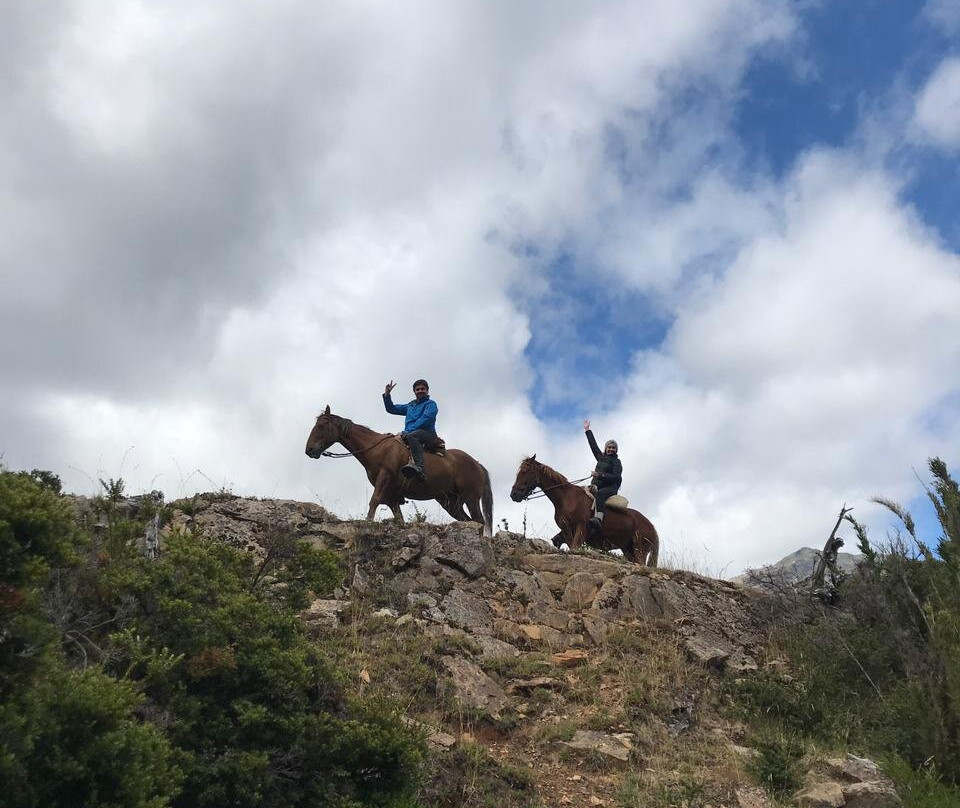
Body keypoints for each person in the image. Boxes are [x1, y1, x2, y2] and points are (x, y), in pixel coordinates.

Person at [383, 379, 438, 479]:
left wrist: (407, 431)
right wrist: (387, 395)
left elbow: (426, 419)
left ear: (427, 390)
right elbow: (392, 409)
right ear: (414, 392)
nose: (420, 391)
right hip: (409, 433)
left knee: (413, 436)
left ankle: (419, 468)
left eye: (422, 389)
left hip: (428, 434)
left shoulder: (431, 404)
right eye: (417, 389)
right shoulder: (410, 406)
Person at [583, 419, 622, 528]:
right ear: (606, 448)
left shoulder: (616, 462)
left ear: (616, 450)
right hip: (597, 486)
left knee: (600, 494)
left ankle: (599, 519)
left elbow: (616, 477)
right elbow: (593, 446)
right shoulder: (601, 457)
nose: (611, 449)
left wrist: (600, 475)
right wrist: (587, 430)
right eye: (609, 447)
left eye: (613, 448)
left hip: (610, 488)